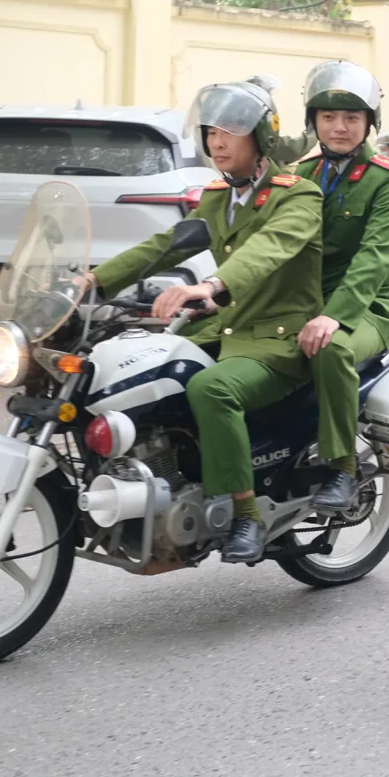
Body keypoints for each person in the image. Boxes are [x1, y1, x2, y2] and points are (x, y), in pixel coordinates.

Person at [89, 79, 324, 562]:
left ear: (261, 136)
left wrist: (211, 285)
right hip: (227, 328)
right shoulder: (218, 197)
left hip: (279, 339)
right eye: (211, 132)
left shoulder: (298, 196)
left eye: (231, 132)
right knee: (148, 370)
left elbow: (267, 249)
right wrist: (93, 281)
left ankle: (245, 516)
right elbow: (166, 245)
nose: (218, 142)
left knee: (210, 389)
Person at [287, 60, 389, 513]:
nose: (339, 127)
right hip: (303, 305)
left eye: (351, 117)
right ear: (314, 121)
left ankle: (342, 467)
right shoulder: (300, 175)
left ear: (368, 122)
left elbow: (374, 259)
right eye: (328, 117)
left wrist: (333, 316)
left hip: (367, 310)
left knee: (332, 348)